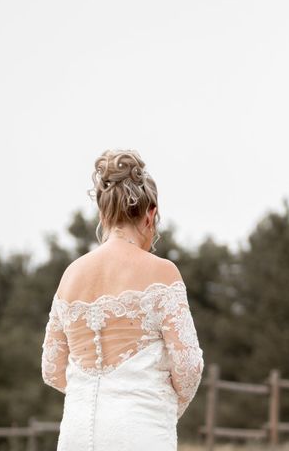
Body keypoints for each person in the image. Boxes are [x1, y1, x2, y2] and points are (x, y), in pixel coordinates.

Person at [41, 149, 205, 450]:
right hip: (138, 430)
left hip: (76, 433)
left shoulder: (71, 275)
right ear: (150, 214)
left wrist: (91, 394)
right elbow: (189, 367)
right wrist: (159, 405)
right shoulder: (162, 273)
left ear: (103, 214)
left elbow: (51, 369)